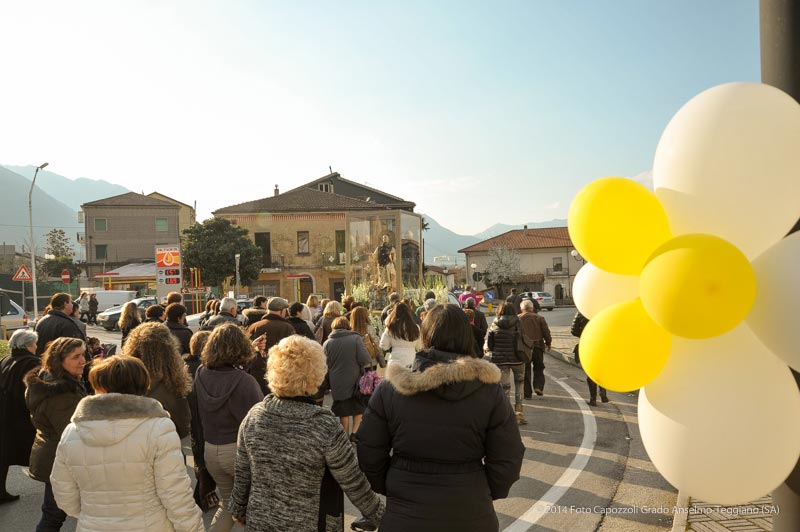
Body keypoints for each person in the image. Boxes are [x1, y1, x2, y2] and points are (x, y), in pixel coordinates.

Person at [356, 304, 525, 532]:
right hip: (471, 512)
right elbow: (508, 457)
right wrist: (482, 488)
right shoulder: (489, 392)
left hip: (405, 514)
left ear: (425, 336)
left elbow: (368, 451)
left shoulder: (391, 390)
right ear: (466, 336)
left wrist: (393, 483)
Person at [229, 335, 384, 531]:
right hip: (309, 523)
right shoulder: (323, 425)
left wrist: (238, 507)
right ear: (317, 373)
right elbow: (353, 482)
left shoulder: (255, 415)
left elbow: (243, 472)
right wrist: (384, 517)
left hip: (260, 521)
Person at [50, 356, 204, 532]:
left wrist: (93, 515)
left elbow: (63, 492)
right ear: (142, 384)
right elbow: (175, 493)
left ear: (98, 385)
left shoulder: (72, 431)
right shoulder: (158, 427)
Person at [194, 323, 264, 532]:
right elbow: (259, 421)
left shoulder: (201, 373)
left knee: (228, 504)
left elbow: (227, 378)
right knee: (254, 509)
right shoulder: (245, 382)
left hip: (211, 450)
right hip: (238, 452)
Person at [24, 337, 88, 532]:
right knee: (53, 515)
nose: (83, 361)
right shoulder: (60, 392)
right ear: (59, 361)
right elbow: (71, 433)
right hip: (59, 459)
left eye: (83, 355)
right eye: (75, 357)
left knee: (54, 513)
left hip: (52, 455)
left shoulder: (49, 380)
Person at [123, 322, 191, 439]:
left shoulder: (123, 379)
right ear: (169, 350)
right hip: (164, 447)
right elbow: (183, 427)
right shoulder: (173, 385)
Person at [0, 329, 40, 504]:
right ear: (27, 345)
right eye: (35, 343)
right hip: (20, 415)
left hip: (4, 413)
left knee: (4, 454)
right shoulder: (32, 363)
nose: (36, 346)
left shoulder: (6, 359)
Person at [183, 331, 218, 512]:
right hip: (204, 419)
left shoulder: (183, 366)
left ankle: (203, 494)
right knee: (205, 463)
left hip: (192, 421)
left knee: (199, 459)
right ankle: (203, 496)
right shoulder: (206, 370)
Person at [324, 317, 373, 441]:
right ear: (347, 326)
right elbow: (365, 359)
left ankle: (344, 438)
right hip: (355, 381)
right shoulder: (356, 339)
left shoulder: (327, 343)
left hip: (337, 382)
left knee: (343, 411)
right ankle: (354, 433)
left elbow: (325, 363)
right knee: (359, 408)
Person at [485, 302, 527, 425]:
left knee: (505, 388)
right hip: (518, 358)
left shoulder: (495, 322)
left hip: (501, 359)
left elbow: (490, 343)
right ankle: (519, 411)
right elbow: (524, 338)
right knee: (520, 383)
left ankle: (507, 415)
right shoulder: (518, 322)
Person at [246, 297, 295, 395]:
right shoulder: (287, 327)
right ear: (282, 311)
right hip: (279, 374)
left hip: (257, 372)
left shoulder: (254, 326)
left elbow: (246, 350)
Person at [571, 311, 608, 406]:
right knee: (601, 369)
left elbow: (573, 330)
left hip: (587, 345)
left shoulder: (580, 313)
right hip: (601, 344)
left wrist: (583, 334)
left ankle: (593, 399)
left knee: (590, 372)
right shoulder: (602, 312)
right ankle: (603, 391)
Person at [518, 299, 552, 398]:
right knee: (539, 367)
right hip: (537, 346)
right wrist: (548, 342)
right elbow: (546, 332)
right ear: (532, 308)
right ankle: (538, 386)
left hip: (524, 348)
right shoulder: (540, 318)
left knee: (526, 369)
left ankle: (527, 393)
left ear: (522, 308)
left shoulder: (518, 318)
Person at [379, 302, 422, 368]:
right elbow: (419, 346)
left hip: (395, 362)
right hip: (411, 361)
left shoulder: (391, 327)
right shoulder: (416, 328)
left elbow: (384, 346)